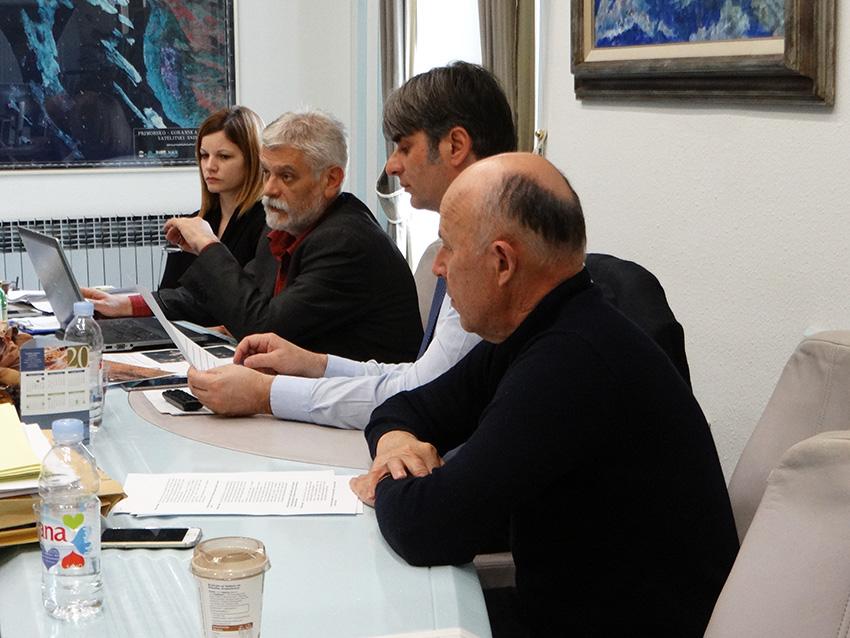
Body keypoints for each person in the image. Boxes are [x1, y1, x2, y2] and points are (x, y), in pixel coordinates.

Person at [349, 153, 740, 637]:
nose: (441, 267)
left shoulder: (573, 363)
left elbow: (428, 528)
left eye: (448, 246)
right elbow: (405, 408)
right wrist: (395, 444)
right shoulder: (541, 328)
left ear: (502, 262)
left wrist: (385, 478)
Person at [186, 62, 516, 423]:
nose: (391, 166)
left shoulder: (484, 252)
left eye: (404, 147)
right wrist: (314, 364)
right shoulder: (477, 237)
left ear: (455, 145)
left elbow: (428, 394)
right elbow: (416, 377)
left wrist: (267, 394)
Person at [84, 110, 422, 363]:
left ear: (331, 180)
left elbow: (263, 326)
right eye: (266, 173)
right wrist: (127, 304)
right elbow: (223, 296)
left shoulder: (345, 242)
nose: (269, 189)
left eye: (286, 176)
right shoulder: (289, 224)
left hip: (360, 410)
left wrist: (210, 247)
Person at [158, 106, 266, 289]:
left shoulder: (268, 225)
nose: (209, 166)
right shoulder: (194, 223)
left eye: (224, 156)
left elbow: (248, 298)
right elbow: (169, 294)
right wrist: (129, 302)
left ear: (253, 159)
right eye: (204, 155)